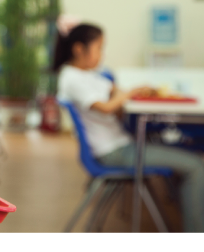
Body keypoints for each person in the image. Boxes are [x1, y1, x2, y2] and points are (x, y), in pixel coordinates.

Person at [54, 20, 204, 232]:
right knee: (196, 166)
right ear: (79, 49)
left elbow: (115, 91)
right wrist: (130, 93)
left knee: (186, 159)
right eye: (99, 48)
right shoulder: (71, 79)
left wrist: (132, 92)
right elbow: (106, 107)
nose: (102, 55)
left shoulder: (84, 74)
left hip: (120, 145)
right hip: (114, 152)